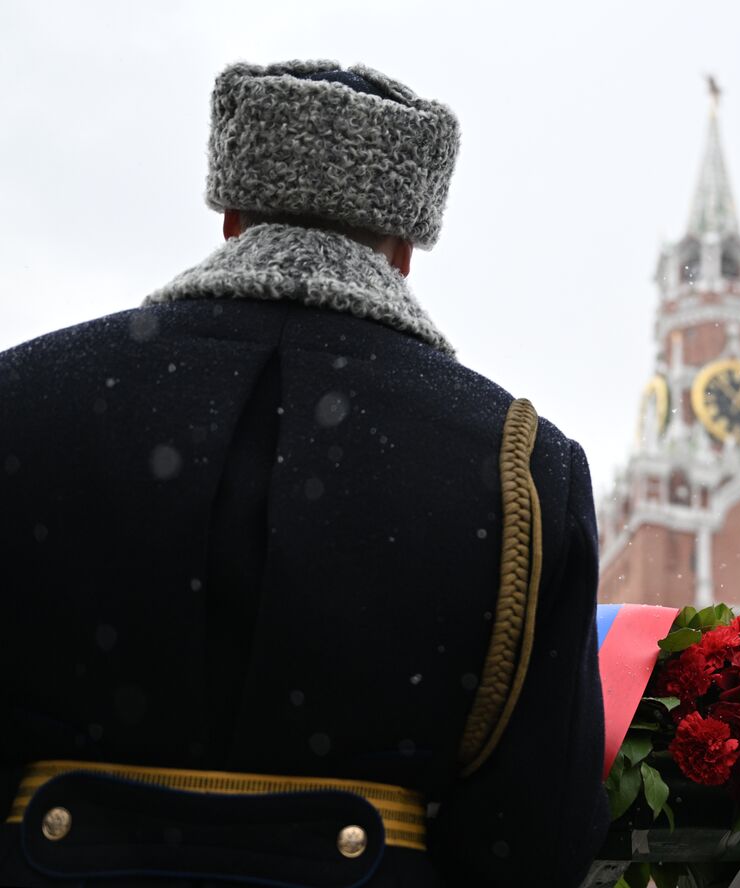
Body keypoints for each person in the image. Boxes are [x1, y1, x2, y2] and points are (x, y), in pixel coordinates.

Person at [0, 60, 607, 887]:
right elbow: (537, 830)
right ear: (403, 250)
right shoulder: (518, 464)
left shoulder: (27, 398)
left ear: (231, 217)